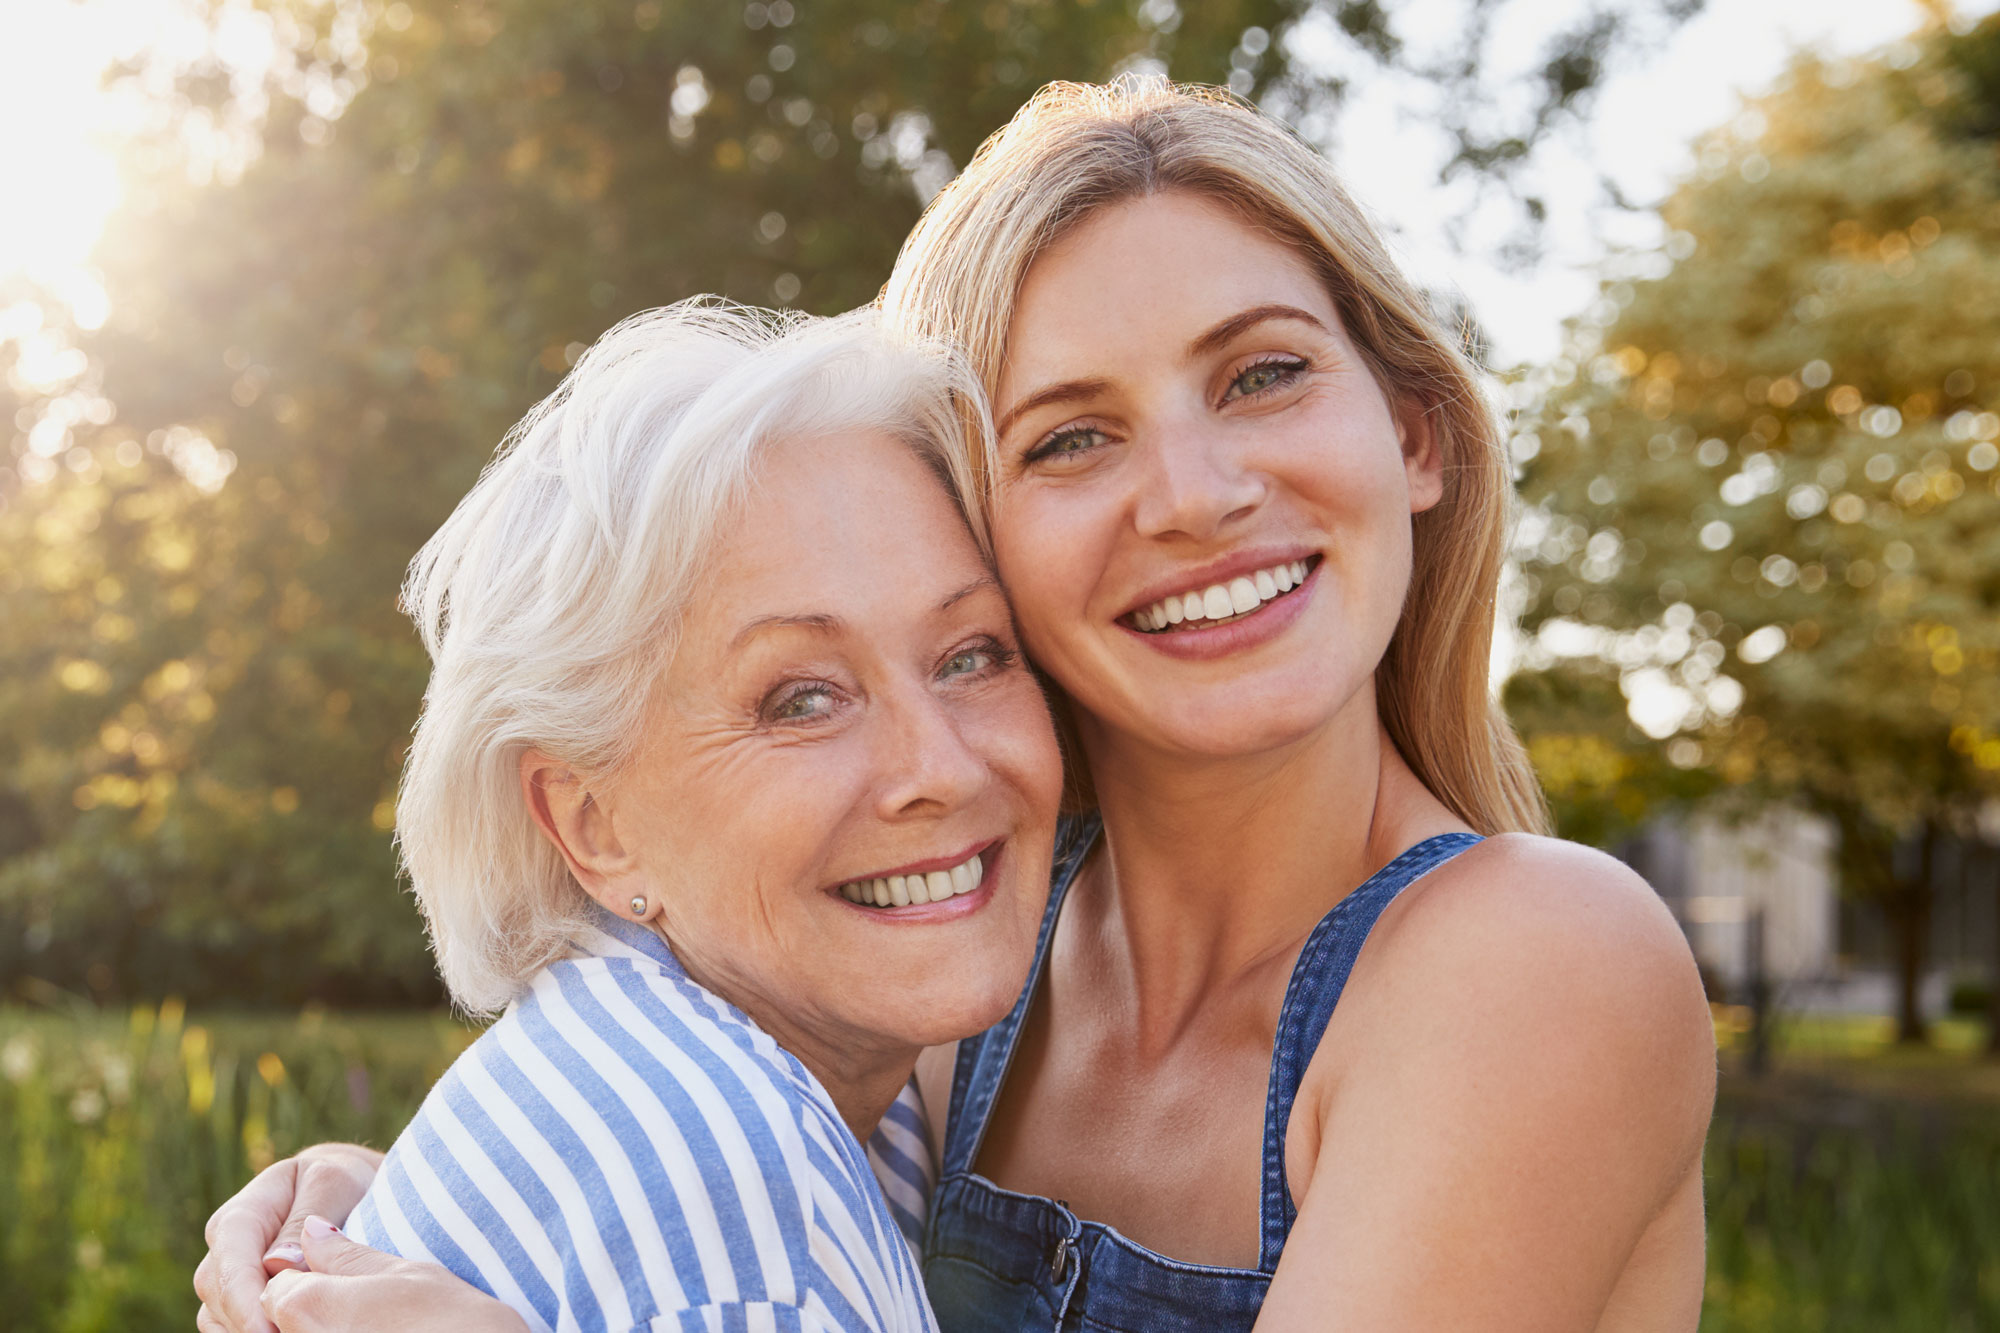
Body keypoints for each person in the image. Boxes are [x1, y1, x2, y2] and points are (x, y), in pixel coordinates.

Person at [197, 80, 1715, 1333]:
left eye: (1261, 375)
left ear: (1416, 436)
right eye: (1070, 440)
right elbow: (697, 1198)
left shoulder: (1537, 968)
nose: (1196, 495)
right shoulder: (969, 966)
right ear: (975, 537)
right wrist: (394, 1207)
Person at [195, 302, 1066, 1333]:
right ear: (594, 826)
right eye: (800, 699)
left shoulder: (734, 1064)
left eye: (968, 655)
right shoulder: (736, 1180)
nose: (941, 766)